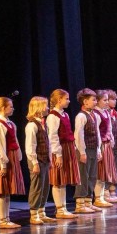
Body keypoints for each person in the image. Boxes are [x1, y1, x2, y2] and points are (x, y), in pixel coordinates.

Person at [0, 97, 25, 228]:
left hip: (12, 158)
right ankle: (3, 220)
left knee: (8, 190)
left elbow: (15, 141)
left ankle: (7, 218)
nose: (13, 108)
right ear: (3, 108)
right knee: (2, 190)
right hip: (4, 159)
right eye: (11, 106)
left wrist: (18, 157)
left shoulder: (11, 124)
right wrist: (3, 164)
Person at [47, 88, 80, 218]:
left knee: (64, 179)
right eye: (66, 99)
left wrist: (74, 147)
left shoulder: (65, 114)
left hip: (68, 148)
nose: (69, 101)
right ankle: (60, 209)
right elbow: (53, 137)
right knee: (58, 179)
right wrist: (58, 155)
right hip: (59, 149)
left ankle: (63, 208)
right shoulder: (53, 116)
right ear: (59, 100)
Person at [24, 96, 54, 225]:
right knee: (37, 187)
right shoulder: (32, 125)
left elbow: (48, 143)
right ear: (38, 108)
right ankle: (34, 214)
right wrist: (35, 163)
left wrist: (50, 159)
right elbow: (30, 146)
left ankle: (42, 212)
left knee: (45, 187)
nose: (47, 108)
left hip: (44, 160)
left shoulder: (43, 123)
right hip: (37, 161)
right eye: (45, 105)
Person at [73, 88, 104, 213]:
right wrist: (82, 152)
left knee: (92, 176)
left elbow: (97, 134)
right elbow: (79, 135)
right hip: (84, 150)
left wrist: (98, 150)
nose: (96, 102)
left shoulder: (95, 115)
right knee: (83, 176)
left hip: (93, 149)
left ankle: (88, 202)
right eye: (93, 100)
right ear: (85, 102)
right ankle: (80, 204)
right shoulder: (81, 116)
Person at [95, 90, 117, 204]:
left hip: (109, 143)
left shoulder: (108, 113)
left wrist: (112, 140)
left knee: (110, 169)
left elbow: (110, 129)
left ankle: (108, 193)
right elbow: (97, 131)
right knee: (102, 170)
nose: (108, 102)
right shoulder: (96, 113)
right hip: (101, 144)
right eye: (105, 100)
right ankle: (102, 195)